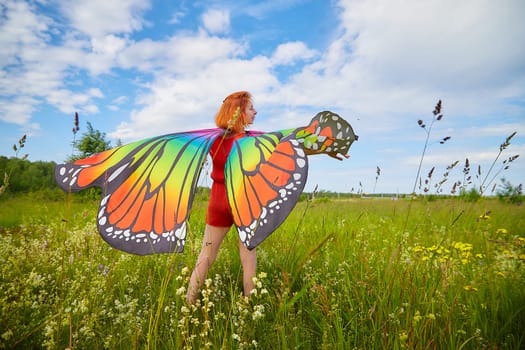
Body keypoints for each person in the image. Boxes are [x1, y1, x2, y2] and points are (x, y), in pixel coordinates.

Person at [186, 91, 258, 304]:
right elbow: (288, 144)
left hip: (218, 200)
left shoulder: (213, 140)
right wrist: (323, 148)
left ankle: (188, 305)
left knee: (206, 256)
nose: (255, 112)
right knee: (248, 257)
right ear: (239, 113)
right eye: (250, 108)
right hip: (243, 201)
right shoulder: (251, 141)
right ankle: (250, 308)